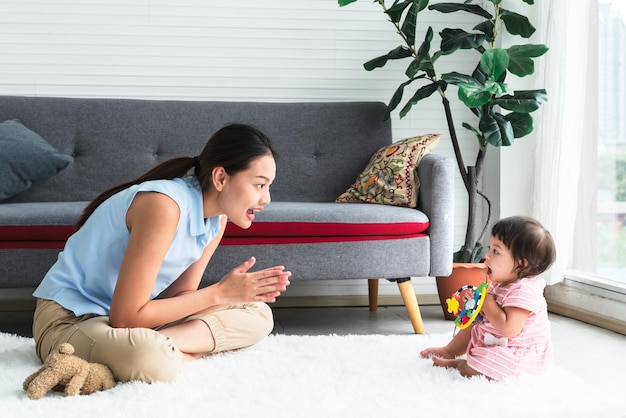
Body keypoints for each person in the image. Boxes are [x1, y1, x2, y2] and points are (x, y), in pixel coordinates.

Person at [31, 123, 291, 383]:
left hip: (129, 324)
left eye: (268, 187)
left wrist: (232, 296)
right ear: (220, 178)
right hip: (71, 321)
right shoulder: (163, 206)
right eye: (259, 185)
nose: (266, 198)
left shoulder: (217, 219)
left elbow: (178, 296)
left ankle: (167, 349)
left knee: (258, 313)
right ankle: (176, 351)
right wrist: (219, 293)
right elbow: (125, 318)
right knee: (152, 358)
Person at [420, 216, 556, 380]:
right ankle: (450, 351)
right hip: (498, 342)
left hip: (518, 354)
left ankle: (460, 365)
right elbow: (486, 316)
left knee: (482, 369)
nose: (487, 255)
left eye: (496, 251)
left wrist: (487, 303)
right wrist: (476, 305)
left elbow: (510, 329)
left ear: (522, 263)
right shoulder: (501, 283)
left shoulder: (524, 290)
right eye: (490, 248)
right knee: (474, 325)